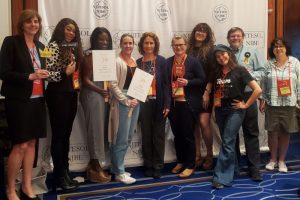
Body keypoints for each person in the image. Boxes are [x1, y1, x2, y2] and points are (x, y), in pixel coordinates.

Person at [0, 9, 49, 200]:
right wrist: (30, 76)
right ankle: (10, 189)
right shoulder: (11, 42)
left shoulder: (40, 45)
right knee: (20, 145)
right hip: (18, 101)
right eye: (29, 21)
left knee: (32, 144)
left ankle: (27, 186)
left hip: (38, 100)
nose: (33, 25)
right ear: (22, 24)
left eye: (36, 21)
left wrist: (50, 74)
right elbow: (3, 73)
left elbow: (43, 71)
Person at [211, 44, 262, 189]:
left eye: (223, 54)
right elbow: (216, 93)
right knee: (229, 142)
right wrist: (215, 110)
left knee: (227, 140)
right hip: (221, 110)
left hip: (235, 110)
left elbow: (257, 90)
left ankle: (221, 177)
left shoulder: (240, 70)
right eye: (218, 56)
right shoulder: (216, 72)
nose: (221, 58)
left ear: (229, 53)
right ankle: (233, 170)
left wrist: (245, 105)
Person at [46, 18, 83, 192]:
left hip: (70, 95)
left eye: (74, 31)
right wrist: (64, 72)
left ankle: (65, 172)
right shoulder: (51, 46)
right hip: (57, 95)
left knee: (66, 135)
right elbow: (46, 74)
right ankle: (59, 176)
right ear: (61, 29)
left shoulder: (73, 48)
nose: (71, 33)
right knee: (59, 136)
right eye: (68, 29)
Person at [227, 27, 265, 181]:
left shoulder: (252, 51)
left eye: (238, 36)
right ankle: (234, 167)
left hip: (249, 95)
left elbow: (262, 71)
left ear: (243, 37)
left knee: (251, 133)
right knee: (232, 134)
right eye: (232, 36)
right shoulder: (224, 53)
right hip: (231, 97)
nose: (235, 38)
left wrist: (245, 77)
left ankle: (254, 169)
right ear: (228, 38)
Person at [166, 35, 205, 178]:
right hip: (174, 104)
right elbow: (165, 83)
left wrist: (188, 82)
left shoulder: (193, 62)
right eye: (175, 45)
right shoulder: (168, 62)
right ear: (172, 46)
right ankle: (181, 161)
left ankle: (190, 165)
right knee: (178, 136)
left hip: (188, 104)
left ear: (186, 45)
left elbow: (202, 80)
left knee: (188, 136)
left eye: (181, 44)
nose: (178, 47)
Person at [259, 38, 300, 173]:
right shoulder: (268, 64)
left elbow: (299, 82)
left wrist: (299, 99)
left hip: (290, 103)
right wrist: (262, 100)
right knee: (272, 133)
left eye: (281, 46)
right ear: (273, 50)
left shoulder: (295, 62)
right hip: (272, 103)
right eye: (275, 46)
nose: (278, 48)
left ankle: (282, 160)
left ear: (286, 48)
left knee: (285, 133)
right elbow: (263, 84)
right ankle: (272, 160)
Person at [80, 27, 112, 183]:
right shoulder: (89, 56)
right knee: (94, 129)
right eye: (101, 39)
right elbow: (84, 79)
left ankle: (94, 165)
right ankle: (95, 167)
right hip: (92, 95)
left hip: (103, 96)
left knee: (100, 131)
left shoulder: (106, 57)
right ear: (94, 40)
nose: (104, 42)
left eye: (106, 39)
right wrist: (100, 90)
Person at [136, 32, 170, 179]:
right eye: (146, 43)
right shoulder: (137, 62)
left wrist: (167, 104)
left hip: (160, 102)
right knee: (146, 135)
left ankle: (158, 165)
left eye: (151, 43)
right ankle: (148, 164)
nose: (149, 45)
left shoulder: (162, 61)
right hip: (143, 103)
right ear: (142, 45)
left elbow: (167, 84)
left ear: (155, 45)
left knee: (158, 135)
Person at [108, 34, 139, 184]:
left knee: (127, 137)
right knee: (120, 138)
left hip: (135, 100)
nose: (128, 46)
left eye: (130, 43)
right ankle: (119, 172)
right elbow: (112, 85)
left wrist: (137, 97)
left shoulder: (133, 60)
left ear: (134, 45)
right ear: (120, 44)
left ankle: (117, 168)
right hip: (123, 101)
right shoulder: (117, 61)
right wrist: (126, 101)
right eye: (125, 43)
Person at [187, 23, 215, 170]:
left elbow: (212, 72)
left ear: (208, 34)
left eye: (204, 31)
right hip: (190, 91)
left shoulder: (211, 50)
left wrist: (207, 92)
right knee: (194, 125)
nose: (200, 32)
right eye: (198, 29)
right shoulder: (188, 48)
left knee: (204, 123)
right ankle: (197, 155)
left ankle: (209, 155)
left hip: (205, 91)